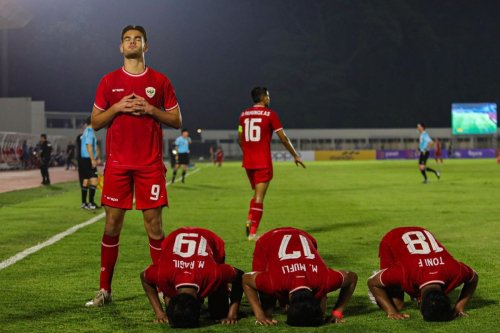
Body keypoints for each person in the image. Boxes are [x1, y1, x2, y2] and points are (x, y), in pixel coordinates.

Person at [85, 25, 181, 307]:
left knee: (155, 228)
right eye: (127, 39)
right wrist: (117, 108)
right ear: (121, 47)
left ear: (145, 46)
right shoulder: (108, 81)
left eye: (137, 39)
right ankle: (105, 290)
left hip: (150, 165)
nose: (132, 43)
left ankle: (164, 288)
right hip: (118, 165)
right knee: (112, 225)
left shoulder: (160, 81)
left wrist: (150, 109)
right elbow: (95, 122)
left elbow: (176, 120)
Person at [243, 227, 358, 326]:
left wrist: (337, 312)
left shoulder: (324, 280)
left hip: (304, 237)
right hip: (267, 241)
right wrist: (260, 315)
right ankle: (268, 310)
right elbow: (246, 279)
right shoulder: (274, 282)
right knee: (267, 305)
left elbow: (352, 277)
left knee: (321, 292)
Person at [367, 226, 478, 321]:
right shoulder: (404, 273)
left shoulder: (454, 269)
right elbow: (372, 283)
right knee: (396, 305)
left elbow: (474, 277)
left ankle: (411, 293)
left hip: (417, 252)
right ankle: (382, 276)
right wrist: (391, 311)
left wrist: (459, 306)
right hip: (393, 239)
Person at [140, 227, 244, 327]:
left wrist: (232, 314)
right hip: (173, 239)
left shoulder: (213, 274)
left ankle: (225, 289)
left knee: (219, 312)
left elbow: (239, 275)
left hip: (210, 239)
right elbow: (143, 277)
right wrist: (159, 313)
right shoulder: (163, 274)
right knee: (178, 312)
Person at [239, 87, 305, 240]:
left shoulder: (243, 115)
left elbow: (240, 139)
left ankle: (250, 219)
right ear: (263, 98)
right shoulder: (270, 114)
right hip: (262, 161)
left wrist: (249, 153)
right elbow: (283, 137)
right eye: (268, 96)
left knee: (256, 193)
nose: (269, 99)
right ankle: (253, 232)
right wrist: (295, 155)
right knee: (260, 197)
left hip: (248, 162)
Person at [80, 117, 101, 210]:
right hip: (88, 159)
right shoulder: (89, 131)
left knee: (86, 180)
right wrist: (93, 159)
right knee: (94, 180)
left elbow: (94, 146)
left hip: (86, 159)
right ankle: (90, 202)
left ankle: (85, 203)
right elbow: (89, 146)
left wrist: (97, 157)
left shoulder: (88, 131)